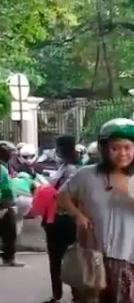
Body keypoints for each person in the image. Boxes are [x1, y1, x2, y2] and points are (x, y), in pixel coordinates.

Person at [57, 118, 134, 303]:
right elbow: (62, 196)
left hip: (126, 259)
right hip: (90, 256)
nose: (122, 153)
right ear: (103, 148)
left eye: (127, 148)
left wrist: (127, 191)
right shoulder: (86, 175)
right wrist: (77, 215)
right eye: (115, 148)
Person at [40, 135, 83, 303]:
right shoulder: (65, 166)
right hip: (58, 218)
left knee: (65, 257)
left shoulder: (72, 169)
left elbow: (64, 194)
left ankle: (70, 293)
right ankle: (62, 293)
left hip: (65, 219)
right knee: (62, 257)